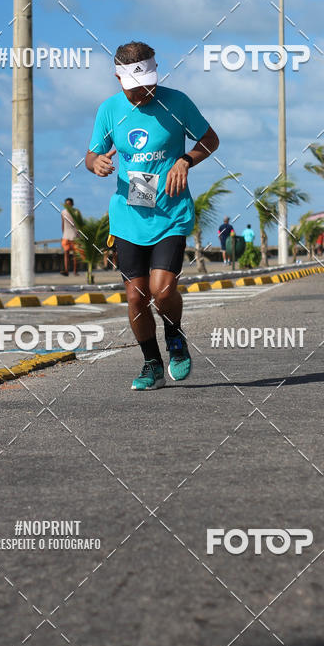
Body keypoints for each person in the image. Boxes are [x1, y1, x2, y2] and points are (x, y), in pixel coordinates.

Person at [86, 40, 219, 391]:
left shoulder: (177, 103)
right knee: (135, 296)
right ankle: (151, 363)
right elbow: (91, 153)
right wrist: (95, 163)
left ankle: (175, 339)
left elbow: (210, 139)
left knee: (162, 291)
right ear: (118, 79)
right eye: (135, 89)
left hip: (171, 212)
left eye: (149, 85)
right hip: (130, 212)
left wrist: (185, 160)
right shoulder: (109, 110)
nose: (144, 93)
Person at [60, 198, 79, 276]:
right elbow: (63, 223)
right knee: (66, 253)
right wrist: (63, 233)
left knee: (75, 255)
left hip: (75, 235)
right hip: (66, 235)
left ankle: (75, 271)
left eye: (69, 204)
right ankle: (66, 270)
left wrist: (79, 234)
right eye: (66, 204)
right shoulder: (63, 212)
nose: (68, 205)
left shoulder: (76, 212)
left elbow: (79, 223)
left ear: (72, 204)